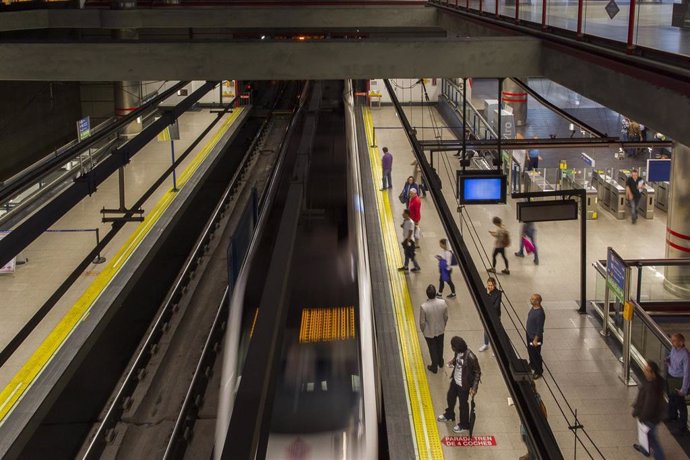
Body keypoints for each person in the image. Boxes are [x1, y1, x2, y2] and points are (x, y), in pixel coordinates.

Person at [437, 336, 481, 434]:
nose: (451, 348)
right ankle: (449, 415)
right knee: (450, 397)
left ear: (457, 347)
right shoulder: (457, 352)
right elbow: (456, 359)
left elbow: (477, 372)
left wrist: (474, 388)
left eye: (453, 346)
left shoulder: (471, 357)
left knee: (463, 405)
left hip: (464, 385)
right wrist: (452, 362)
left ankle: (464, 424)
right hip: (455, 381)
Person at [632, 361, 667, 459]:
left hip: (649, 418)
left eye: (647, 370)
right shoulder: (653, 382)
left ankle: (660, 457)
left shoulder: (652, 388)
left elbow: (648, 406)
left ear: (653, 373)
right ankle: (644, 449)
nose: (644, 371)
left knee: (651, 438)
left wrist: (641, 417)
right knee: (647, 435)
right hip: (653, 417)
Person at [420, 284, 449, 374]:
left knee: (432, 348)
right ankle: (441, 362)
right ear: (435, 292)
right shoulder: (443, 303)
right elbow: (446, 316)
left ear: (427, 294)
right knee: (440, 346)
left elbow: (422, 322)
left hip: (429, 332)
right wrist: (443, 325)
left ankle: (434, 366)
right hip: (440, 329)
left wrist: (423, 330)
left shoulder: (424, 307)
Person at [665, 333, 690, 435]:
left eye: (675, 341)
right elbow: (671, 356)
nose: (672, 343)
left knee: (680, 403)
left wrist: (684, 389)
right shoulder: (673, 349)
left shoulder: (685, 355)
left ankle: (682, 427)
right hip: (671, 376)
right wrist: (667, 360)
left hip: (679, 380)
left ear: (681, 342)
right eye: (672, 340)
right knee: (671, 397)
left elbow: (687, 373)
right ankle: (672, 415)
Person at [519, 380, 547, 460]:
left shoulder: (534, 401)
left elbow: (543, 413)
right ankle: (529, 453)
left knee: (530, 444)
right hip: (526, 427)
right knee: (527, 442)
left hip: (530, 429)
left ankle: (531, 456)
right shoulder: (533, 398)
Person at [479, 277, 502, 352]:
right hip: (487, 315)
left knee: (495, 332)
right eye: (488, 285)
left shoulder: (498, 293)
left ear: (494, 285)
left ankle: (496, 349)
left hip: (495, 316)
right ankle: (486, 344)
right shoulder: (485, 291)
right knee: (486, 330)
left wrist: (488, 296)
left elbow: (496, 306)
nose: (489, 287)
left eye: (491, 285)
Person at [526, 294, 545, 379]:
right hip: (529, 335)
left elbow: (540, 328)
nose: (531, 300)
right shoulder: (533, 308)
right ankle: (532, 364)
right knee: (530, 351)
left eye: (533, 299)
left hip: (535, 338)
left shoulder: (540, 313)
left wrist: (536, 339)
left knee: (536, 354)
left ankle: (538, 371)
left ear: (537, 301)